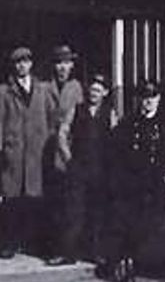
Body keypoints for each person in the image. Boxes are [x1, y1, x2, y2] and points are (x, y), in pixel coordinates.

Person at [106, 81, 165, 282]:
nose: (148, 102)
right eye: (145, 98)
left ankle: (150, 261)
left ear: (159, 99)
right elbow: (118, 149)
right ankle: (129, 262)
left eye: (152, 98)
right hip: (134, 182)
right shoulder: (130, 123)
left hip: (155, 182)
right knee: (131, 223)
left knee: (152, 223)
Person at [0, 46, 58, 258]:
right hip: (14, 153)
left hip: (37, 154)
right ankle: (9, 243)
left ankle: (33, 243)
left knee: (35, 200)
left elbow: (52, 118)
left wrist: (50, 144)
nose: (22, 65)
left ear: (31, 64)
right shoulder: (4, 91)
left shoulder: (42, 88)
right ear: (14, 65)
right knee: (11, 200)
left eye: (26, 61)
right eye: (18, 62)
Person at [47, 73, 118, 266]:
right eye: (91, 90)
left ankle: (96, 252)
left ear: (105, 92)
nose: (93, 93)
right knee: (73, 211)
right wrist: (68, 158)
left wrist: (111, 163)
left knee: (97, 211)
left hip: (100, 169)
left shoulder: (110, 113)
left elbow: (116, 140)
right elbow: (62, 134)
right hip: (78, 168)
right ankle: (68, 253)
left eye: (98, 90)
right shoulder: (76, 109)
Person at [45, 44, 84, 255]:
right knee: (52, 202)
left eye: (66, 63)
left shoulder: (76, 88)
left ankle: (67, 248)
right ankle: (52, 246)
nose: (62, 67)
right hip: (48, 150)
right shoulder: (45, 88)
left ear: (72, 66)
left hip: (68, 152)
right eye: (59, 63)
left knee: (68, 203)